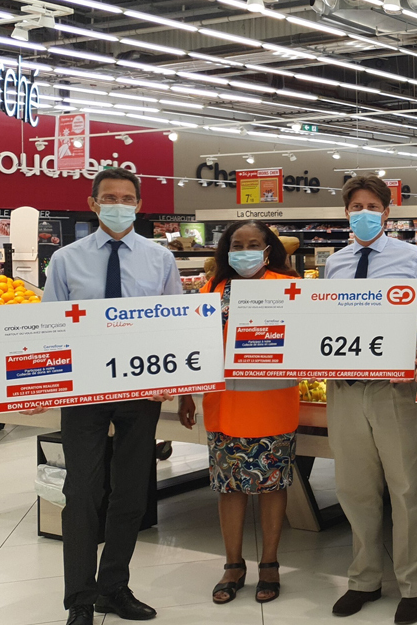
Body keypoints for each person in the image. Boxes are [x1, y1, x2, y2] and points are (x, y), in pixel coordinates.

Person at [39, 168, 183, 625]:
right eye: (109, 197)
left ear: (139, 204)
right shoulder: (65, 260)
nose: (118, 203)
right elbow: (50, 330)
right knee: (82, 490)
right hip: (84, 389)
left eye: (127, 197)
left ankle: (113, 588)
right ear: (93, 202)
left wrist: (176, 380)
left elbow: (175, 324)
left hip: (141, 388)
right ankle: (79, 600)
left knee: (130, 491)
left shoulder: (160, 260)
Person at [323, 175, 417, 622]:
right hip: (345, 387)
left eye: (372, 205)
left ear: (387, 212)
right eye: (356, 206)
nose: (364, 213)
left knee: (408, 488)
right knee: (354, 489)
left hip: (396, 390)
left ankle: (415, 585)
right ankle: (364, 579)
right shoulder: (335, 262)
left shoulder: (412, 258)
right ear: (346, 212)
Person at [176, 220, 300, 606]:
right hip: (226, 401)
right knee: (229, 487)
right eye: (236, 243)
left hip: (273, 400)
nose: (244, 250)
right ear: (225, 249)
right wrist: (185, 394)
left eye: (253, 243)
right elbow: (193, 343)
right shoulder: (212, 288)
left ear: (268, 249)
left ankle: (269, 563)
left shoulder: (289, 286)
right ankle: (233, 564)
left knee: (272, 485)